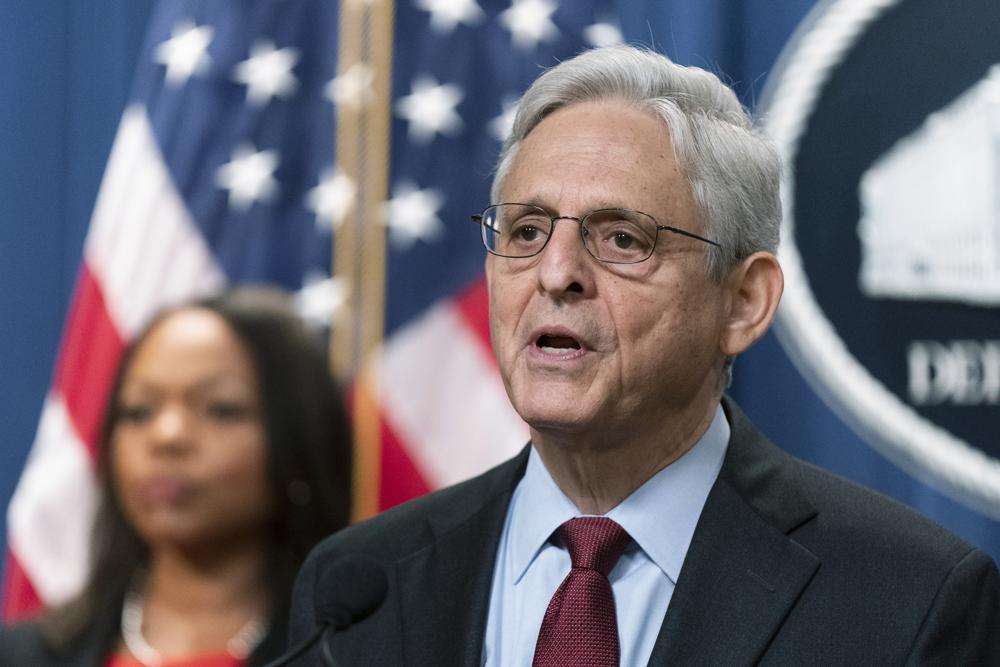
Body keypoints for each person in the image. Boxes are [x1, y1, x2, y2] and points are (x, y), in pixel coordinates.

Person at [288, 45, 1000, 665]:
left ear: (744, 300)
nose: (555, 271)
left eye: (622, 238)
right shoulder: (361, 585)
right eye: (527, 229)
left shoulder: (909, 598)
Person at [1, 288, 353, 666]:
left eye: (220, 409)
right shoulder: (24, 656)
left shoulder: (352, 648)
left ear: (299, 439)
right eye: (139, 412)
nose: (167, 436)